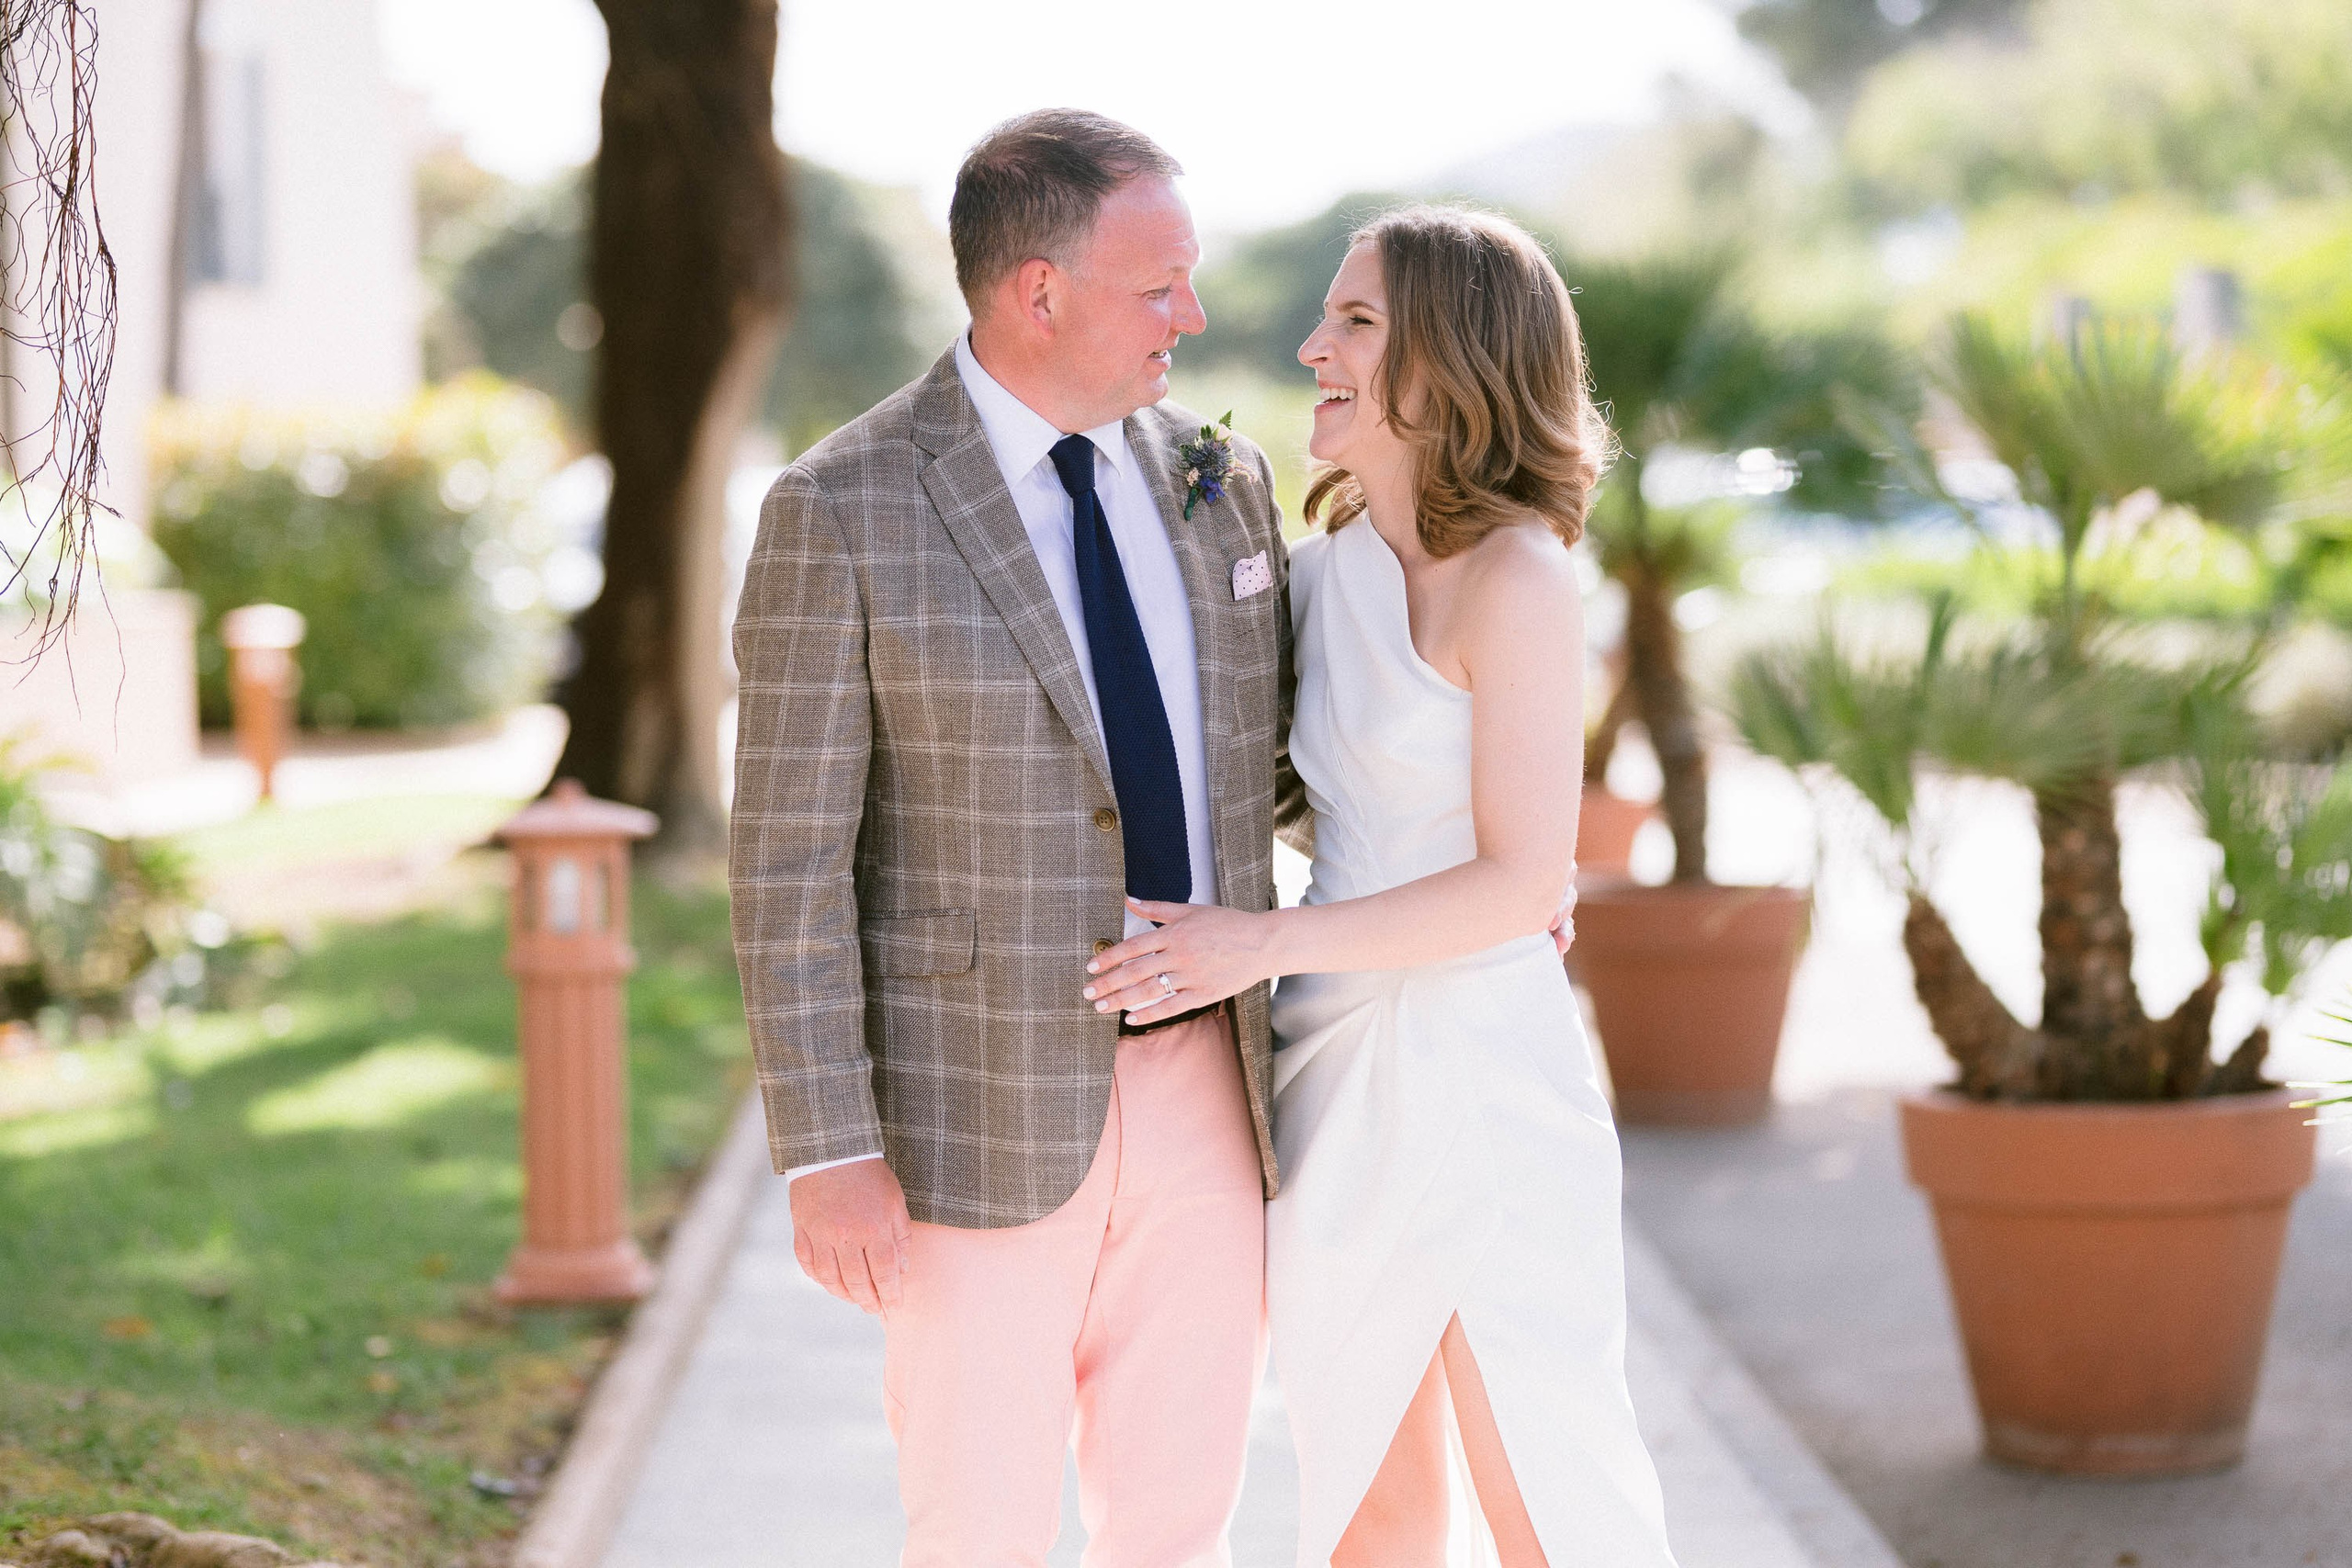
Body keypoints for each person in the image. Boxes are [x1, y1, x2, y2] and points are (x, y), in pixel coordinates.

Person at [727, 108, 1295, 1567]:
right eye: (1159, 282)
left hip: (1212, 1091)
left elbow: (1278, 768)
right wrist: (825, 1145)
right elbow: (787, 857)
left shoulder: (1223, 483)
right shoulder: (838, 508)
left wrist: (1480, 867)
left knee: (1180, 1520)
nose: (1196, 313)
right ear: (1037, 291)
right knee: (977, 1529)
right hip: (966, 1114)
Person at [1084, 206, 1680, 1568]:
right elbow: (1276, 782)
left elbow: (1524, 878)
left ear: (1454, 357)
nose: (1312, 348)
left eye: (1354, 321)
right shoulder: (1318, 575)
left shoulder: (1520, 577)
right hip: (1335, 1077)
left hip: (1487, 1076)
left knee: (1546, 1487)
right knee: (1366, 1500)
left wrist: (1261, 941)